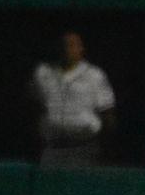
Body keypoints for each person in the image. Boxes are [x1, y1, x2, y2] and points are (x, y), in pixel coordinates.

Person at [32, 31, 116, 167]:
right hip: (52, 149)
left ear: (81, 48)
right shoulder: (43, 72)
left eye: (72, 45)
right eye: (63, 45)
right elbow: (34, 106)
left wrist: (107, 149)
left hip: (83, 149)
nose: (67, 49)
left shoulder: (94, 75)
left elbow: (108, 113)